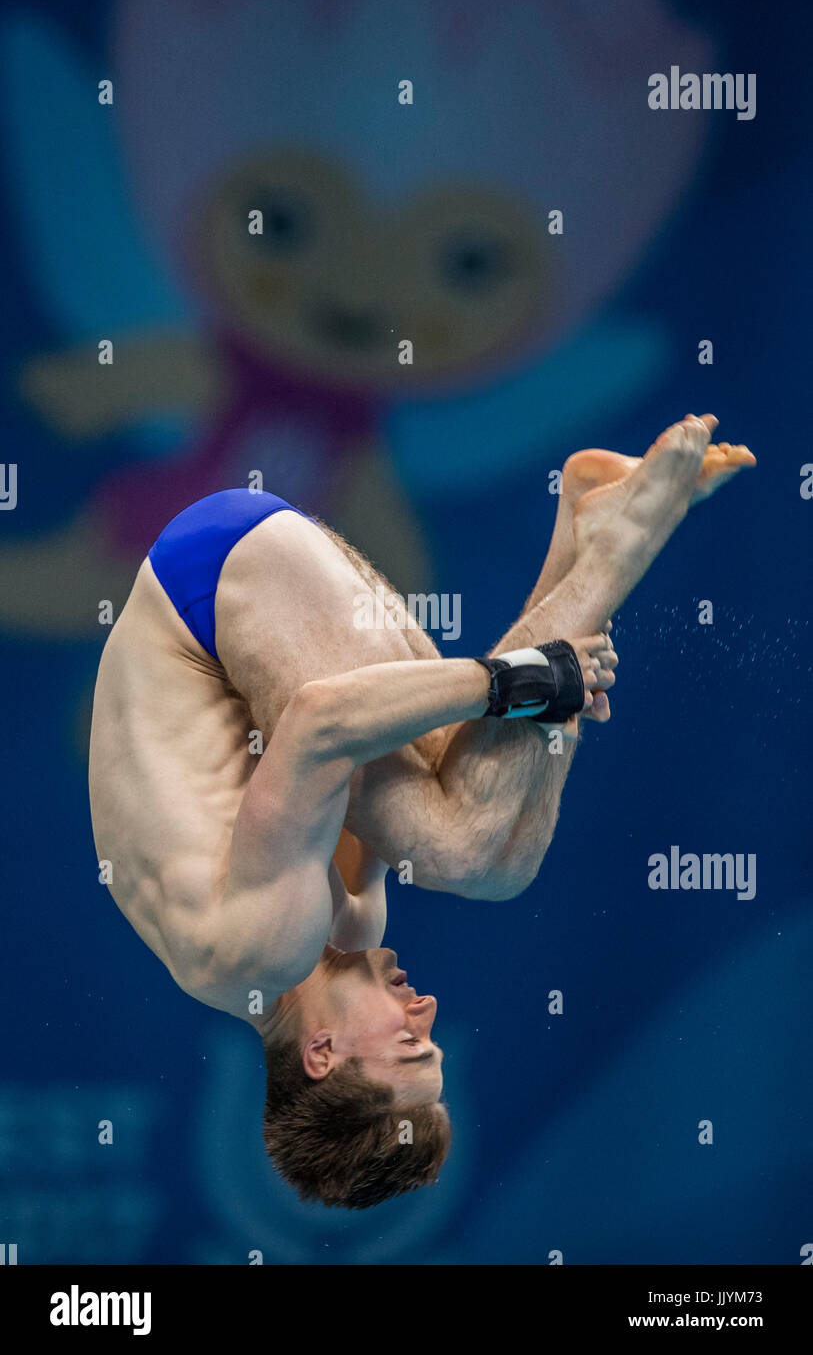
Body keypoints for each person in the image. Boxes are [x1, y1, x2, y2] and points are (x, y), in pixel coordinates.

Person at [88, 414, 755, 1207]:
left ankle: (616, 545)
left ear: (322, 1055)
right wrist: (527, 689)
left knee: (461, 849)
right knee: (483, 837)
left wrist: (513, 679)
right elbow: (417, 755)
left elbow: (318, 722)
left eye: (408, 1043)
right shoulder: (338, 936)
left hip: (212, 579)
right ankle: (586, 528)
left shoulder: (256, 951)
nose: (426, 1007)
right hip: (240, 593)